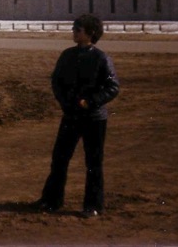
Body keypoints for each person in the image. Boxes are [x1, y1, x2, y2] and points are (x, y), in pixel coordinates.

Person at [36, 13, 120, 218]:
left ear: (90, 33)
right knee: (59, 159)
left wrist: (90, 102)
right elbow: (56, 81)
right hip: (71, 116)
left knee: (93, 163)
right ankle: (51, 200)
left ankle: (93, 205)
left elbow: (113, 87)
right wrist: (65, 102)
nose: (73, 32)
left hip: (94, 119)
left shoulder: (101, 58)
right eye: (73, 28)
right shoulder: (67, 55)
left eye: (78, 29)